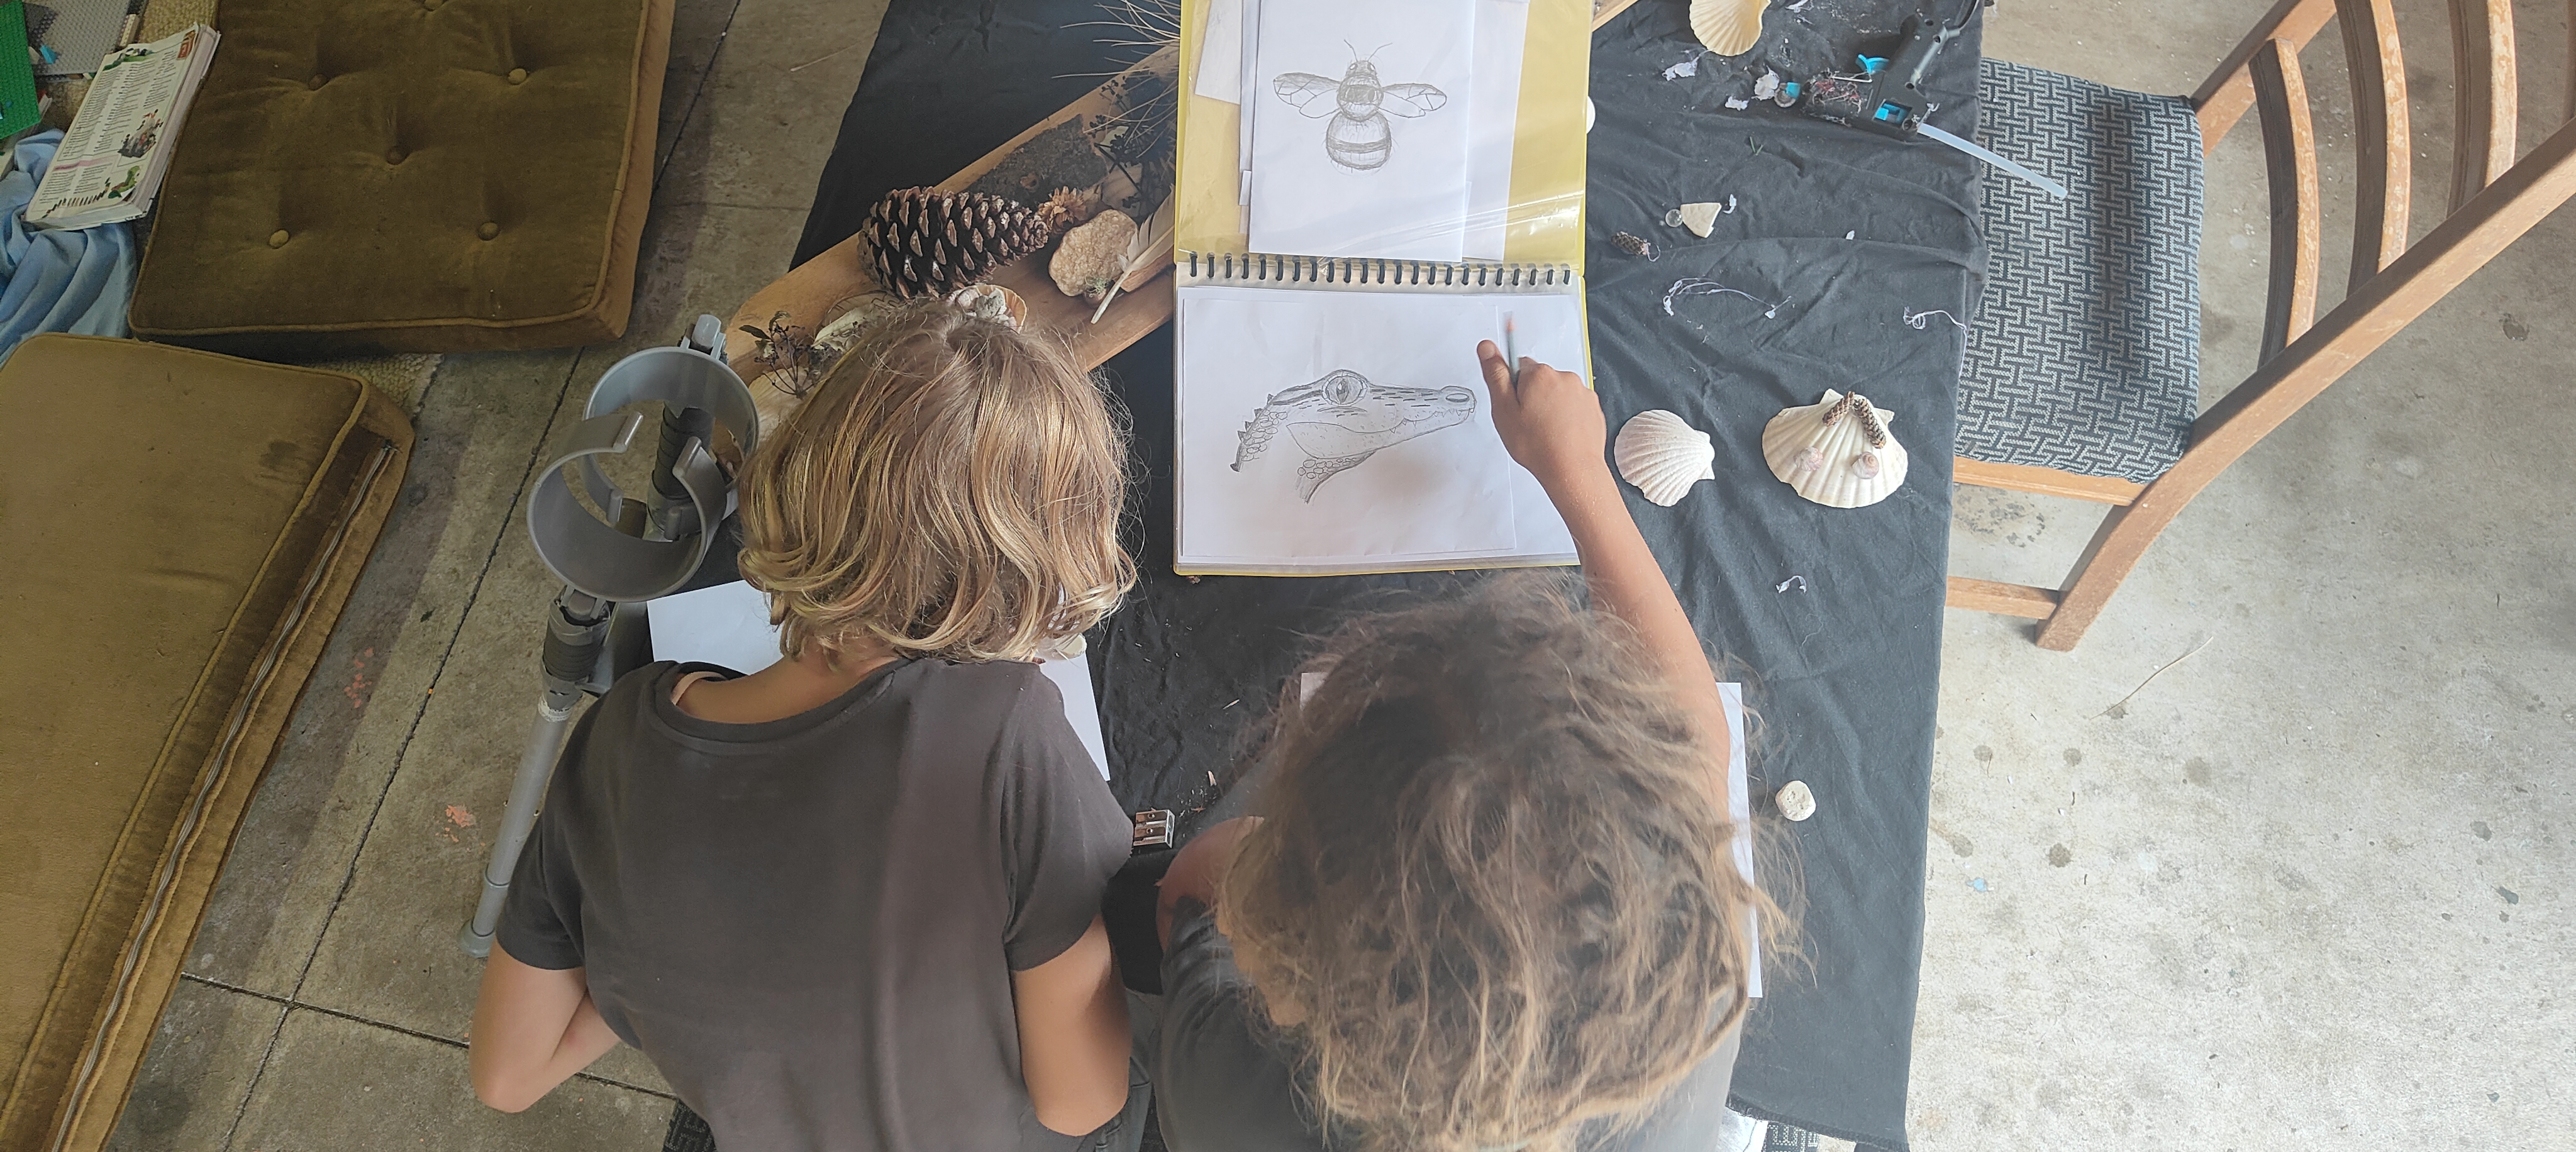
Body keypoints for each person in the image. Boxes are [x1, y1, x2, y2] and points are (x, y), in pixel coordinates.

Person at [469, 300, 1140, 1150]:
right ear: (1030, 563)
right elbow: (1081, 1103)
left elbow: (506, 1075)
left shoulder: (620, 739)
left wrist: (680, 955)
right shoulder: (1009, 738)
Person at [1148, 342, 1780, 1152]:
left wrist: (1248, 863)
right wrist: (1578, 476)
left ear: (1298, 961)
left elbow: (1193, 890)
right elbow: (1692, 736)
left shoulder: (1228, 1101)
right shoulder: (1676, 976)